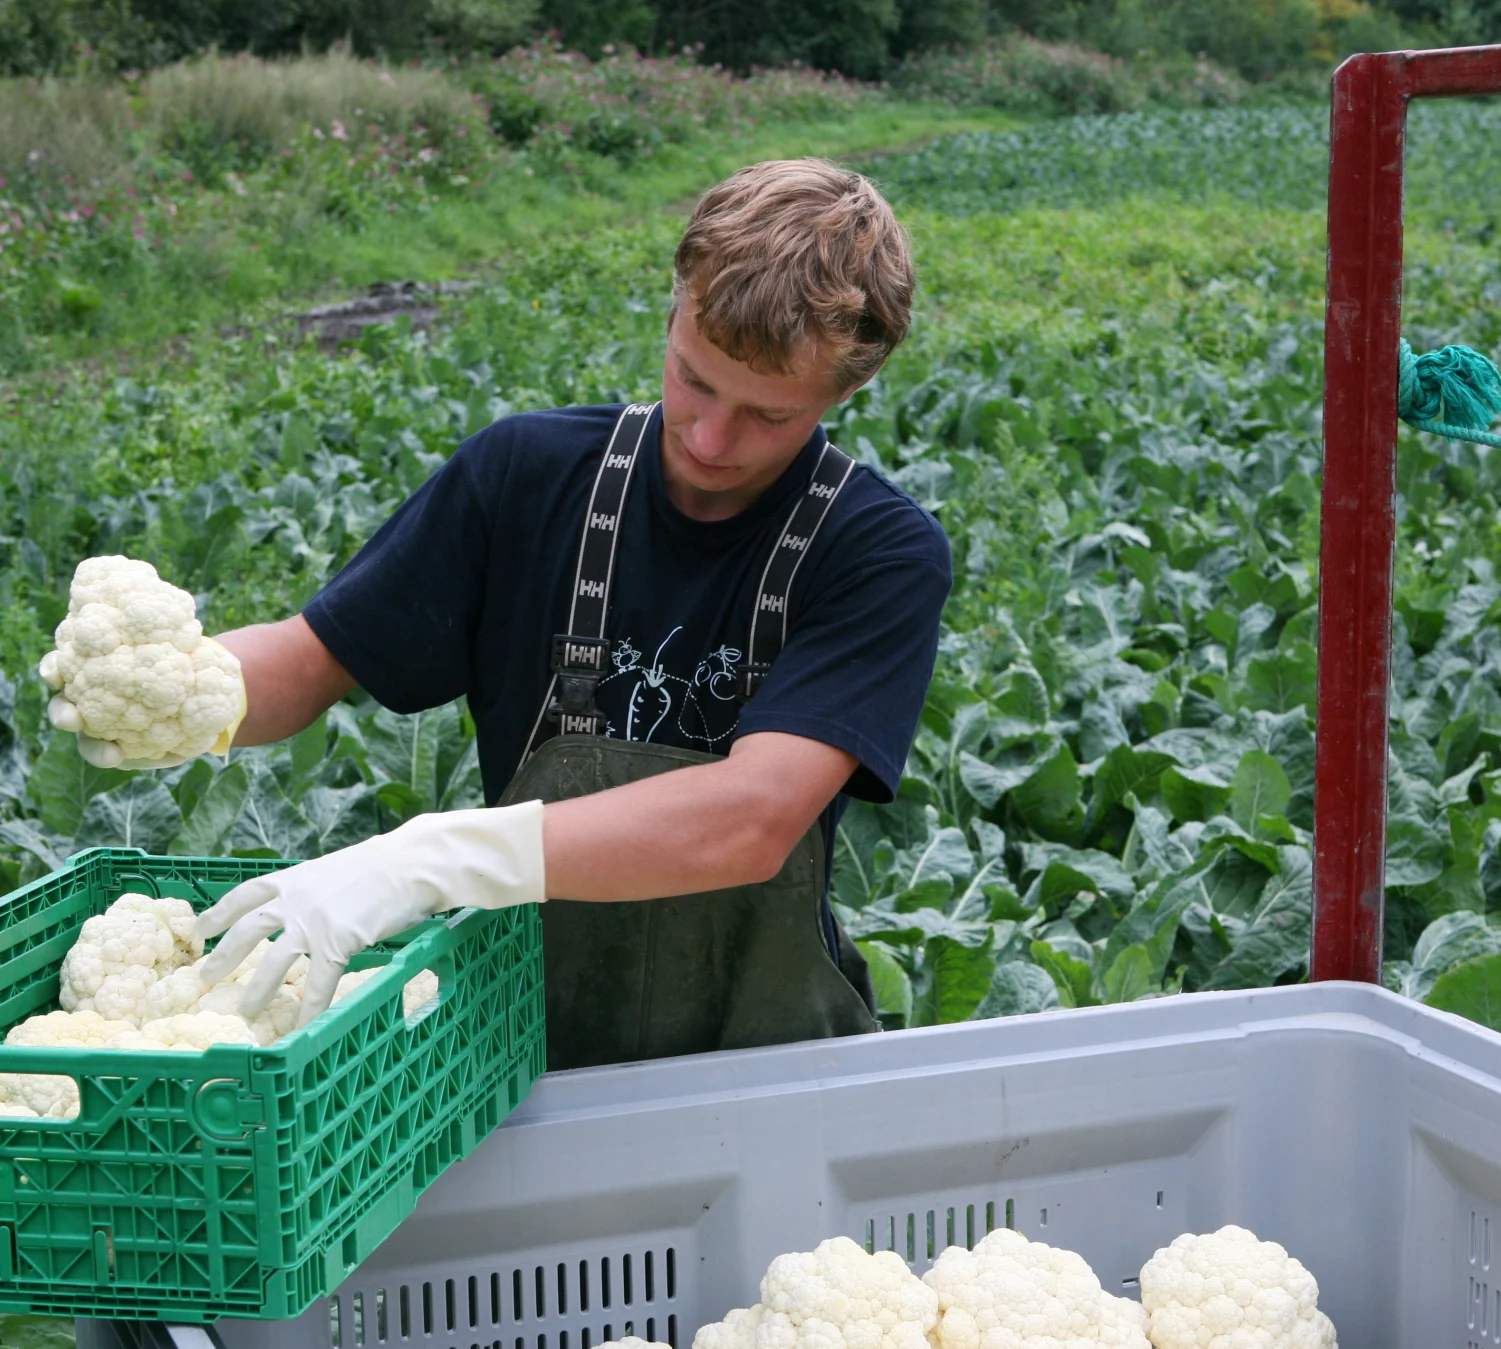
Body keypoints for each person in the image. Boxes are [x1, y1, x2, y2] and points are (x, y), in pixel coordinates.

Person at [105, 160, 947, 1067]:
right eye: (693, 380)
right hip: (522, 1043)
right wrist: (173, 692)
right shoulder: (525, 476)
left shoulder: (878, 552)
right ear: (672, 310)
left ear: (843, 393)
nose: (709, 438)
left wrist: (430, 859)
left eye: (766, 416)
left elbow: (749, 821)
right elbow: (312, 661)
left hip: (767, 1061)